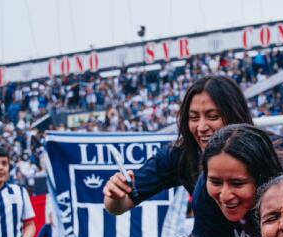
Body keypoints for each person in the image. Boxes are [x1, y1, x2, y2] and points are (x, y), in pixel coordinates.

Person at [105, 76, 270, 216]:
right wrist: (116, 194)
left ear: (235, 114)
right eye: (193, 117)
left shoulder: (272, 151)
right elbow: (118, 206)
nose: (201, 127)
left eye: (212, 116)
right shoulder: (179, 155)